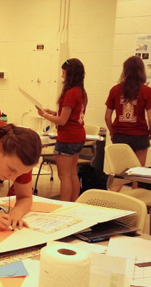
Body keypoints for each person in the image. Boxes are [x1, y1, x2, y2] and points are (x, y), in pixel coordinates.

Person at [37, 58, 87, 202]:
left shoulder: (70, 93)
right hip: (78, 136)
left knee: (64, 175)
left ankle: (64, 205)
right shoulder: (81, 91)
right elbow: (69, 114)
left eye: (64, 73)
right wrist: (53, 112)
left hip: (68, 137)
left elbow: (63, 120)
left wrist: (45, 115)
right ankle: (74, 203)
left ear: (70, 74)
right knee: (72, 173)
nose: (62, 76)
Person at [105, 56, 151, 167]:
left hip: (120, 135)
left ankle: (114, 185)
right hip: (140, 135)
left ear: (125, 71)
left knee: (120, 172)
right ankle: (135, 185)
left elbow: (107, 117)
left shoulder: (115, 90)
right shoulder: (147, 91)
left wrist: (112, 131)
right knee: (138, 173)